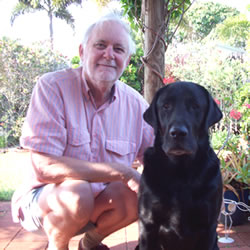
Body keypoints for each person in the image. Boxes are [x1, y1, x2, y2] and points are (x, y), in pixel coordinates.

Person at [11, 13, 154, 250]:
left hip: (98, 204)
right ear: (82, 51)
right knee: (77, 192)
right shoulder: (52, 87)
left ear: (126, 61)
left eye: (118, 49)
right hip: (45, 202)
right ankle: (58, 246)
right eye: (100, 45)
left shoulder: (136, 105)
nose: (109, 54)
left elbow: (158, 157)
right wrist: (121, 171)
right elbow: (45, 167)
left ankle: (90, 244)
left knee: (143, 192)